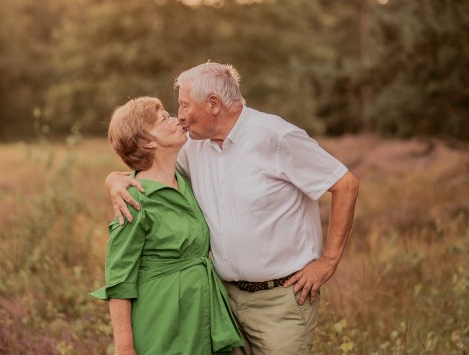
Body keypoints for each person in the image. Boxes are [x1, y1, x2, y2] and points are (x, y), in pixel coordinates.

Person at [106, 62, 359, 354]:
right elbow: (147, 171)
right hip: (220, 301)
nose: (181, 117)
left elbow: (346, 184)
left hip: (279, 302)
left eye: (185, 105)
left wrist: (328, 260)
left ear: (213, 104)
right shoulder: (193, 148)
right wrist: (112, 180)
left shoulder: (276, 136)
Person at [91, 96, 243, 355]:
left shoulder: (185, 180)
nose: (177, 119)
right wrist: (124, 348)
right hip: (163, 319)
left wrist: (112, 178)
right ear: (148, 141)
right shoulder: (135, 199)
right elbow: (119, 279)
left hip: (200, 313)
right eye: (164, 119)